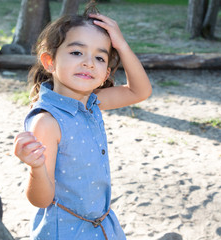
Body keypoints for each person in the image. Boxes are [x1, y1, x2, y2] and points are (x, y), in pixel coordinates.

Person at [13, 4, 152, 240]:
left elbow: (139, 91)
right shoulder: (47, 122)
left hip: (102, 226)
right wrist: (36, 168)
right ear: (49, 61)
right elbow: (41, 200)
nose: (89, 62)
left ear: (105, 74)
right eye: (77, 52)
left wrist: (122, 45)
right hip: (67, 231)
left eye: (99, 57)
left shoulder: (92, 103)